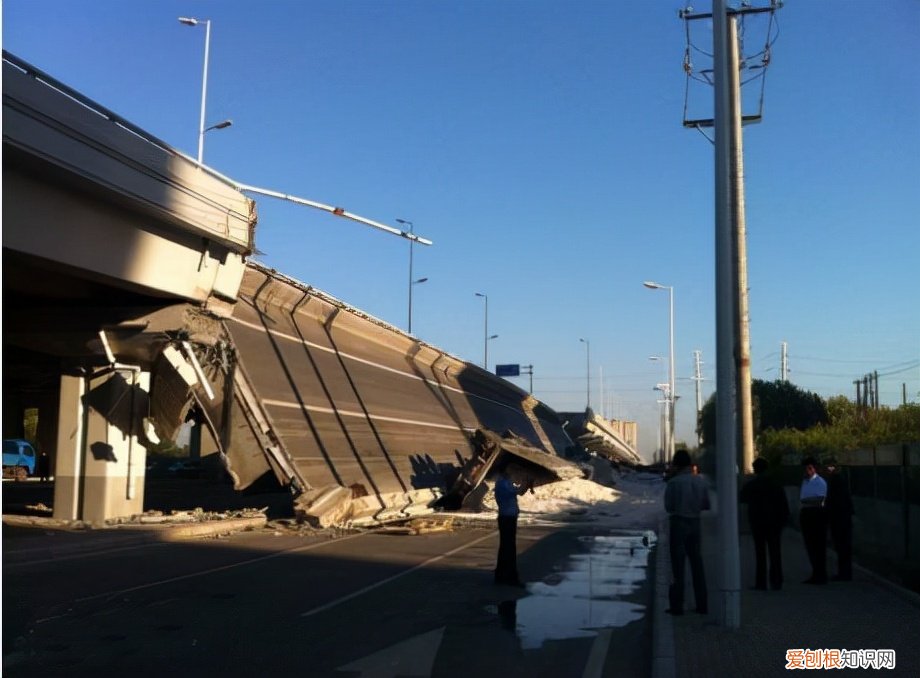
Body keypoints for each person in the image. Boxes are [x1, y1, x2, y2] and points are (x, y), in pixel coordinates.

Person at [664, 449, 710, 615]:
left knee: (678, 566)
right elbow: (706, 504)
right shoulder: (701, 481)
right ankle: (702, 605)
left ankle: (677, 606)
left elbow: (669, 507)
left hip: (679, 523)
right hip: (695, 523)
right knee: (697, 564)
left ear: (676, 464)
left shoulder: (674, 483)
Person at [739, 457, 790, 590]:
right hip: (774, 523)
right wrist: (783, 521)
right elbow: (784, 504)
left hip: (758, 523)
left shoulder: (752, 485)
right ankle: (777, 581)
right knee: (775, 552)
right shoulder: (776, 484)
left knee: (760, 553)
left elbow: (742, 498)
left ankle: (761, 582)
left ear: (755, 469)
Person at [493, 461, 534, 587]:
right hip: (507, 518)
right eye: (511, 471)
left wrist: (526, 485)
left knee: (505, 547)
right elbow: (517, 491)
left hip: (508, 517)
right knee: (509, 548)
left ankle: (501, 574)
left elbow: (518, 491)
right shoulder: (503, 484)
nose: (512, 474)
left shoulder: (504, 483)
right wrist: (526, 483)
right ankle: (510, 576)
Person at [824, 457, 854, 581]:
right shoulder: (838, 480)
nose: (829, 470)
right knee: (843, 546)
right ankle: (845, 572)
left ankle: (844, 573)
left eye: (831, 467)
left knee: (842, 546)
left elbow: (834, 501)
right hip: (842, 517)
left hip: (839, 518)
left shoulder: (836, 481)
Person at [799, 456, 828, 584]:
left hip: (817, 514)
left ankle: (821, 574)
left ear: (814, 469)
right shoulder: (805, 481)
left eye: (810, 468)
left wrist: (807, 501)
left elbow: (820, 499)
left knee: (818, 545)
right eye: (806, 468)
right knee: (810, 545)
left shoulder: (820, 482)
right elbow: (802, 497)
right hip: (806, 513)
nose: (807, 471)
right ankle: (815, 573)